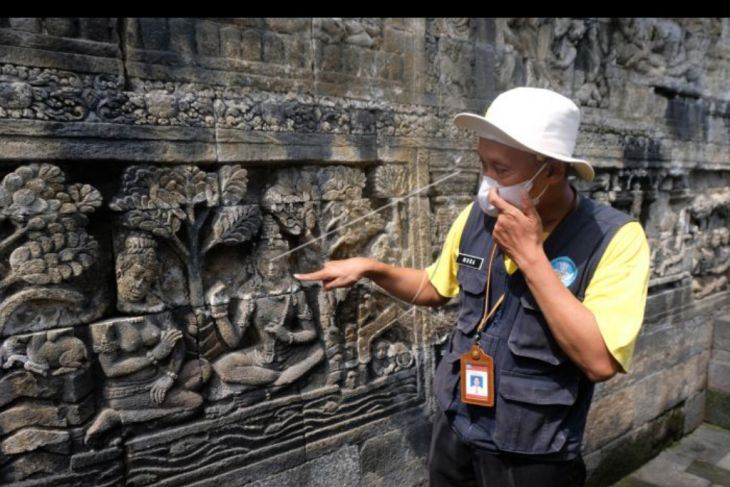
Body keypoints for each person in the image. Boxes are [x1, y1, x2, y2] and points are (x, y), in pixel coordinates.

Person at [294, 87, 651, 487]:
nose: (488, 183)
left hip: (533, 450)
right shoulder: (476, 218)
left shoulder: (615, 239)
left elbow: (599, 361)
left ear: (550, 171)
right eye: (483, 165)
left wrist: (532, 256)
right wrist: (373, 268)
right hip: (457, 423)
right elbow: (434, 286)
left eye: (501, 169)